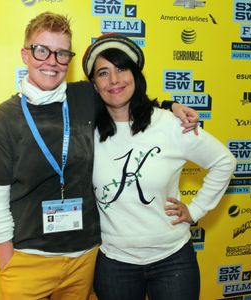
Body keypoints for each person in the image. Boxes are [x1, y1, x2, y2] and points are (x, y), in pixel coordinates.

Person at [0, 12, 199, 300]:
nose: (51, 61)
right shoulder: (5, 118)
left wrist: (170, 105)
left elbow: (125, 97)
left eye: (62, 53)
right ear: (25, 55)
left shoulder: (84, 97)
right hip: (29, 259)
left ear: (69, 59)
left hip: (85, 258)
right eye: (42, 50)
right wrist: (7, 259)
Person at [82, 33, 237, 300]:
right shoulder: (86, 131)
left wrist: (197, 209)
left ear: (136, 75)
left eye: (122, 68)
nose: (114, 80)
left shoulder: (169, 123)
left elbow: (224, 161)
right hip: (115, 263)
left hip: (173, 260)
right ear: (94, 85)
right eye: (103, 73)